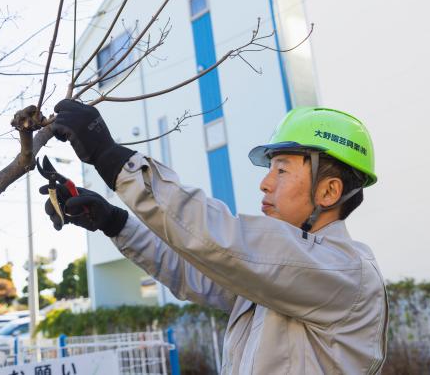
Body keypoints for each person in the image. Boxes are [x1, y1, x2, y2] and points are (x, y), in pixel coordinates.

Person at [41, 100, 388, 374]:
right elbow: (192, 267)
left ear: (328, 192)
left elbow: (223, 239)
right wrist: (115, 222)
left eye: (281, 169)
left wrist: (113, 160)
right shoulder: (278, 279)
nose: (265, 183)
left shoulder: (344, 272)